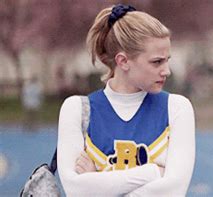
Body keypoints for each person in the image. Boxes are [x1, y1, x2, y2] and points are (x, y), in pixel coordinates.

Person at [57, 4, 195, 196]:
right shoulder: (77, 109)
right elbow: (76, 190)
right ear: (123, 61)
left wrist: (97, 178)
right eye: (157, 62)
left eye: (167, 60)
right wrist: (153, 172)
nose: (167, 71)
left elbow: (173, 191)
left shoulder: (178, 108)